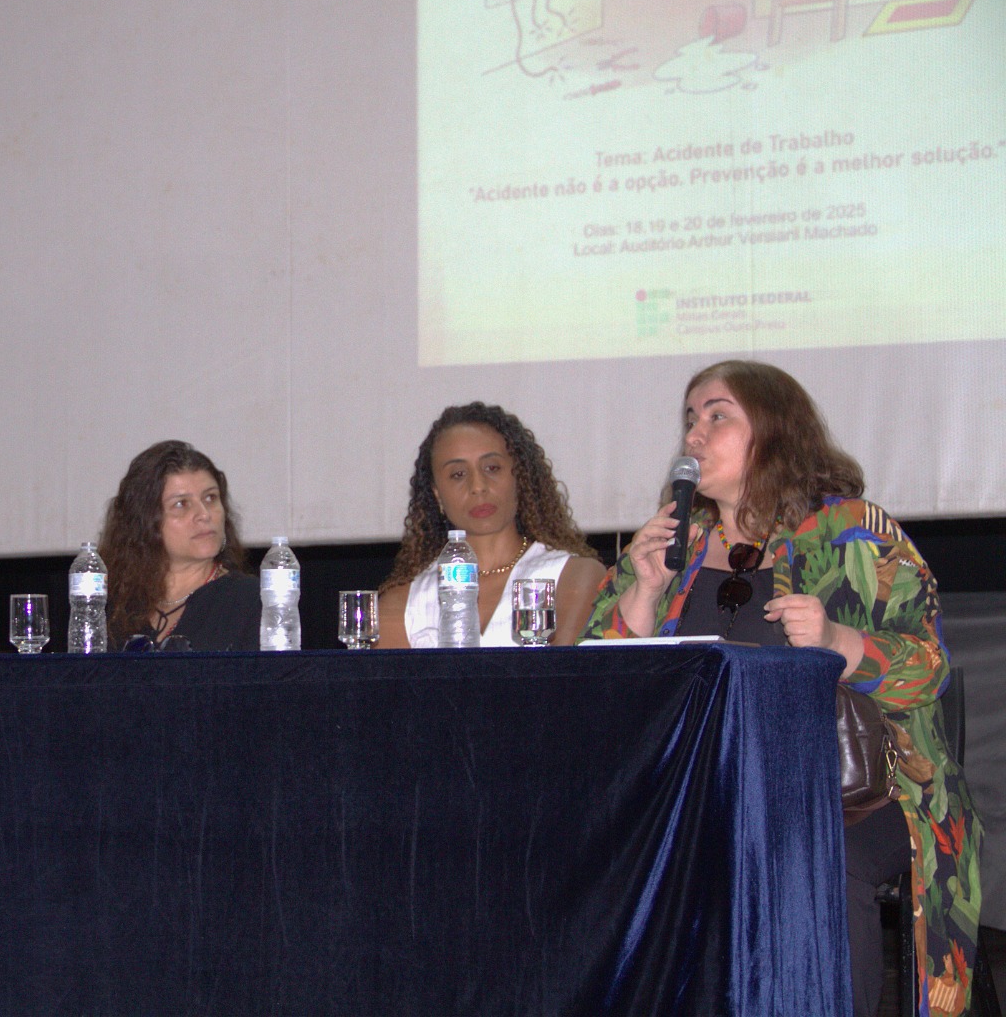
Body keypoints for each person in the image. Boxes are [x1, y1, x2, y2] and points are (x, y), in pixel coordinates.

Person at [581, 360, 980, 1016]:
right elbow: (601, 698)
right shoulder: (664, 548)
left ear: (774, 429)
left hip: (857, 790)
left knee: (814, 856)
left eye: (717, 416)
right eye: (689, 419)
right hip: (709, 790)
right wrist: (644, 594)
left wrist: (838, 645)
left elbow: (928, 666)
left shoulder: (852, 531)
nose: (695, 434)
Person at [376, 402, 605, 649]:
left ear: (521, 476)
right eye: (458, 474)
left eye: (492, 468)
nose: (478, 486)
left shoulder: (573, 576)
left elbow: (558, 681)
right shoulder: (401, 602)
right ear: (437, 495)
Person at [97, 440, 259, 651]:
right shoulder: (114, 608)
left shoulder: (251, 600)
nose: (204, 514)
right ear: (145, 521)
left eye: (210, 498)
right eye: (181, 504)